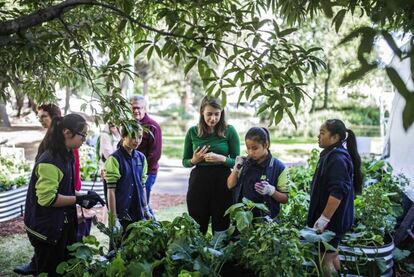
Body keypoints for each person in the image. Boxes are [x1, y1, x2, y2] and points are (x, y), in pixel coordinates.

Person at [23, 114, 105, 276]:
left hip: (60, 225)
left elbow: (63, 189)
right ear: (67, 133)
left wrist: (82, 198)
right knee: (50, 271)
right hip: (46, 229)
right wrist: (78, 199)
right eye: (82, 135)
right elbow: (48, 199)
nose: (84, 139)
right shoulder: (50, 161)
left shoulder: (65, 154)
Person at [306, 119, 362, 276]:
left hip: (332, 222)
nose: (318, 136)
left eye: (322, 133)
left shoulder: (337, 159)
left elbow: (337, 193)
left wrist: (324, 219)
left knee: (325, 260)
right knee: (333, 254)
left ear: (335, 138)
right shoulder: (332, 154)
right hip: (333, 221)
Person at [182, 96, 240, 234]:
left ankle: (219, 253)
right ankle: (197, 252)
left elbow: (238, 162)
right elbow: (185, 161)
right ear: (202, 112)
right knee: (197, 223)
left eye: (217, 114)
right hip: (199, 182)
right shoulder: (192, 132)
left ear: (222, 113)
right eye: (209, 114)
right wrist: (194, 160)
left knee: (221, 223)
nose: (213, 118)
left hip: (222, 182)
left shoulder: (230, 131)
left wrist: (222, 159)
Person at [227, 127, 289, 219]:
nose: (251, 152)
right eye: (248, 148)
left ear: (265, 145)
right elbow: (230, 185)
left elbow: (285, 198)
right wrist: (236, 169)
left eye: (255, 148)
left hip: (265, 223)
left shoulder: (279, 167)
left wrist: (271, 191)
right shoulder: (244, 163)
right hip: (243, 218)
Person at [104, 123, 152, 234]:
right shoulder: (114, 159)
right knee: (118, 247)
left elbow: (142, 185)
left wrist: (145, 208)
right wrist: (114, 218)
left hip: (138, 211)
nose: (137, 141)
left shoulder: (141, 158)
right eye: (133, 136)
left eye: (139, 137)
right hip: (122, 212)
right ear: (123, 136)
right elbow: (111, 191)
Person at [130, 95, 162, 207]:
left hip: (147, 172)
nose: (136, 110)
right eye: (133, 108)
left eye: (139, 108)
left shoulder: (153, 126)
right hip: (131, 171)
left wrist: (141, 171)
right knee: (135, 204)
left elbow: (155, 154)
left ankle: (153, 224)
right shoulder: (129, 125)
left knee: (143, 204)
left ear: (145, 108)